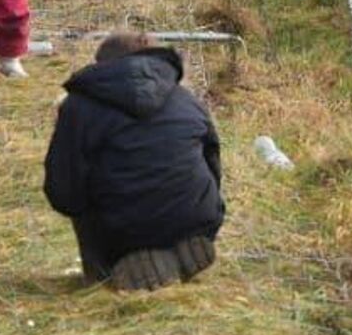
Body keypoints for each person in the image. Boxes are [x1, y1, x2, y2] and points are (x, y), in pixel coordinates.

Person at [42, 32, 223, 291]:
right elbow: (213, 164)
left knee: (81, 190)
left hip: (121, 232)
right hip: (197, 219)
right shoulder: (188, 100)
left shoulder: (78, 106)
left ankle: (104, 271)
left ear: (102, 65)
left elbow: (63, 190)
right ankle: (180, 246)